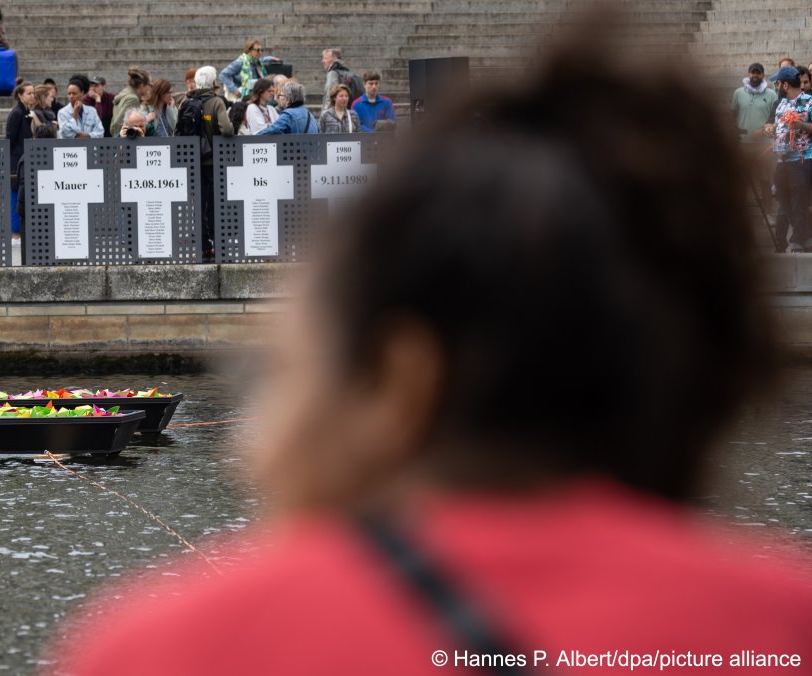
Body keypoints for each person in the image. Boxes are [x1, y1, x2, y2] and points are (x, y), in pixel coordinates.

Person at [54, 39, 812, 676]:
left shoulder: (174, 645)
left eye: (288, 366)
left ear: (402, 380)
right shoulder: (786, 621)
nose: (256, 438)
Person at [177, 65, 232, 261]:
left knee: (198, 205)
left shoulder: (186, 102)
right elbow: (226, 130)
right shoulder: (217, 102)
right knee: (215, 204)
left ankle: (202, 246)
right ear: (214, 83)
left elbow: (178, 131)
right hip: (213, 161)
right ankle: (218, 245)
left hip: (193, 162)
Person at [764, 65, 812, 252]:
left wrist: (800, 124)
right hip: (781, 159)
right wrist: (770, 128)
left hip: (802, 158)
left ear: (785, 85)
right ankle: (806, 234)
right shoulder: (781, 103)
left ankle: (797, 240)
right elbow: (775, 125)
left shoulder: (809, 101)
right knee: (781, 195)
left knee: (799, 199)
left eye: (778, 83)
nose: (776, 86)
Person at [732, 63, 777, 209]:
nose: (755, 75)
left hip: (765, 145)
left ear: (763, 75)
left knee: (765, 181)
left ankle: (768, 214)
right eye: (752, 72)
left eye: (758, 73)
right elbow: (733, 115)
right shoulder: (738, 93)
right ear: (748, 74)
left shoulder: (771, 94)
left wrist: (764, 130)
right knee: (742, 180)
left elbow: (775, 118)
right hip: (743, 144)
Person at [7, 81, 36, 239]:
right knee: (15, 197)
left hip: (23, 160)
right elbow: (10, 139)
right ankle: (15, 234)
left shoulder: (25, 112)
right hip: (16, 162)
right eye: (29, 93)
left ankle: (20, 232)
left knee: (21, 196)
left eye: (33, 93)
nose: (32, 96)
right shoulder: (16, 113)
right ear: (20, 95)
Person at [58, 75, 104, 139]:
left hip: (90, 146)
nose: (71, 96)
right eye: (69, 93)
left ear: (82, 93)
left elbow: (100, 133)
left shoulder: (92, 111)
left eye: (74, 93)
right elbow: (66, 134)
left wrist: (87, 136)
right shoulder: (62, 112)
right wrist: (75, 115)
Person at [110, 67, 151, 138]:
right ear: (142, 85)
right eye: (148, 85)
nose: (149, 88)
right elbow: (118, 124)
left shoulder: (126, 94)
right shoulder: (133, 99)